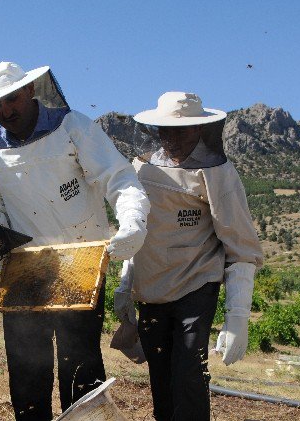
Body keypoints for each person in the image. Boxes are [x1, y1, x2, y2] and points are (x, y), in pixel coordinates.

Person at [0, 61, 150, 420]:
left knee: (80, 367)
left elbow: (119, 179)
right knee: (26, 372)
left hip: (81, 266)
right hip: (25, 271)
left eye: (11, 99)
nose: (5, 111)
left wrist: (133, 221)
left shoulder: (73, 127)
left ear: (30, 90)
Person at [112, 92, 263, 420]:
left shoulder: (218, 173)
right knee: (161, 380)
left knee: (189, 379)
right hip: (151, 290)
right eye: (165, 130)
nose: (171, 138)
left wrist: (237, 318)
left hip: (196, 285)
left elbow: (240, 247)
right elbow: (138, 233)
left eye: (181, 130)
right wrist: (126, 287)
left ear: (200, 129)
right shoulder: (141, 168)